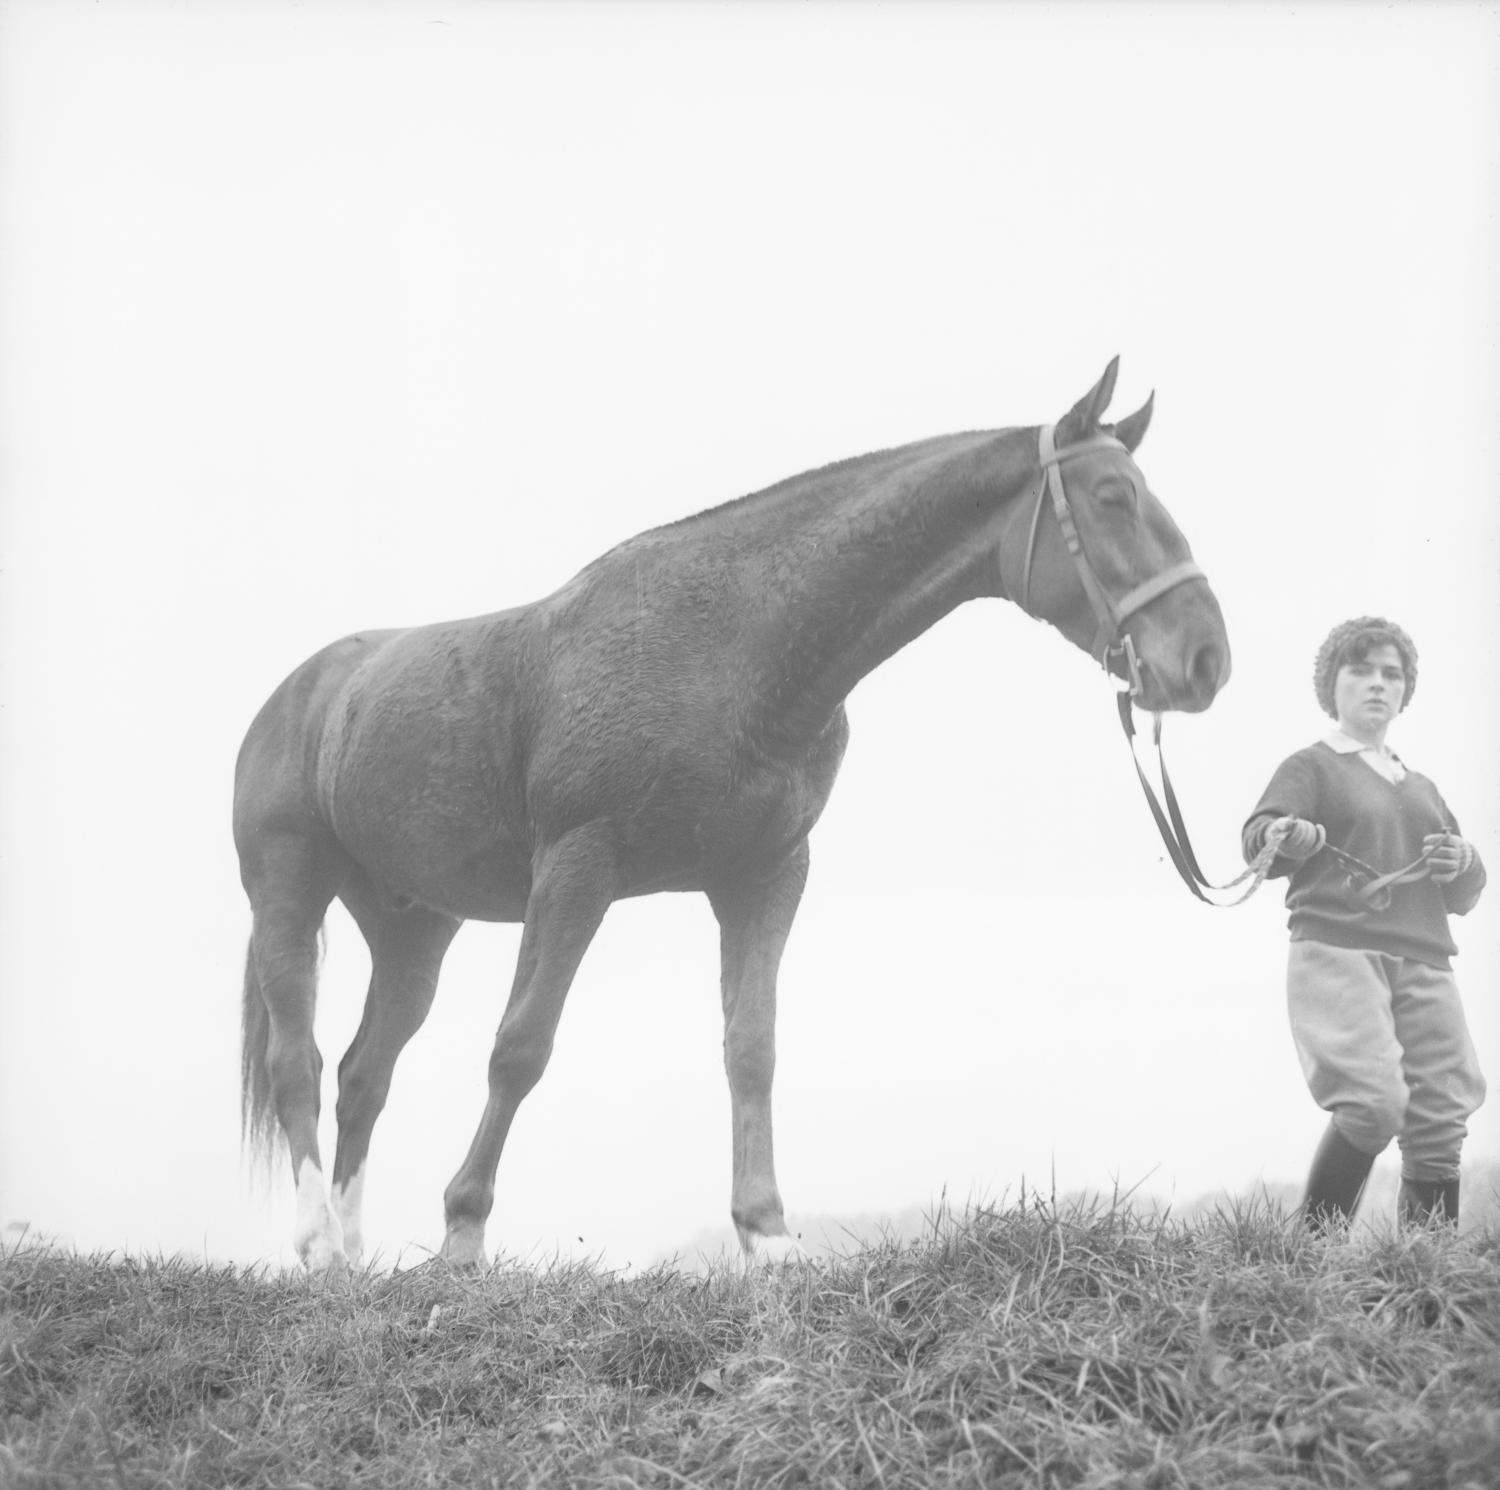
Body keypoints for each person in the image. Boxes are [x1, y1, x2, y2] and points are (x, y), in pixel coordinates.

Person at [1242, 616, 1486, 1231]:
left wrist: (1465, 859)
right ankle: (1306, 1260)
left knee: (1441, 1116)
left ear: (1405, 691)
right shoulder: (1311, 766)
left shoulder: (1423, 786)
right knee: (1374, 1103)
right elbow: (1257, 840)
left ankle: (1426, 1276)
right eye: (1360, 670)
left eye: (1391, 674)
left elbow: (1463, 894)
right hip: (1338, 950)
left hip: (1427, 959)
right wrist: (1282, 834)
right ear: (1333, 685)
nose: (1377, 684)